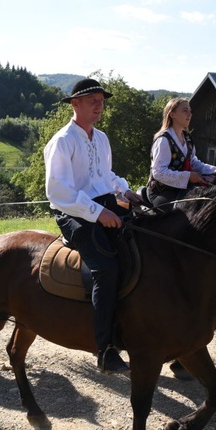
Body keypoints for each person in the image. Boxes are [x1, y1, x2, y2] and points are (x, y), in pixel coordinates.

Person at [43, 78, 142, 375]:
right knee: (106, 269)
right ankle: (105, 349)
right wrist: (97, 213)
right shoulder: (62, 141)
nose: (99, 106)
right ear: (75, 104)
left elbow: (105, 175)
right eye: (93, 101)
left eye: (101, 101)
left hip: (104, 205)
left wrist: (124, 191)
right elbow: (58, 192)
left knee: (145, 249)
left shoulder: (101, 138)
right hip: (73, 212)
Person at [147, 97, 216, 211]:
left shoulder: (187, 138)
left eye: (190, 111)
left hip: (181, 188)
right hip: (161, 191)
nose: (190, 114)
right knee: (176, 217)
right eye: (185, 110)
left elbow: (193, 163)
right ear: (172, 114)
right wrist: (188, 176)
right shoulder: (164, 140)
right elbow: (158, 173)